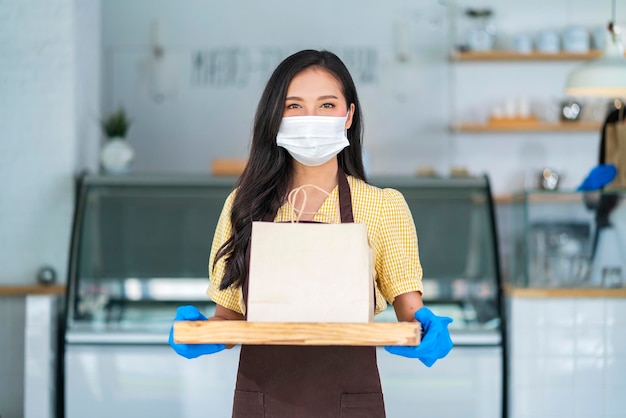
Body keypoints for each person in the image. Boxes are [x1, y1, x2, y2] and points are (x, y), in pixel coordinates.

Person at [169, 49, 453, 417]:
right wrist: (202, 333)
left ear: (348, 115)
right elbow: (229, 319)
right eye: (294, 106)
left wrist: (425, 330)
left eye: (327, 105)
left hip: (351, 404)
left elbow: (410, 314)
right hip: (263, 404)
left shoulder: (383, 207)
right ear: (276, 117)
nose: (310, 119)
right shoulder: (244, 206)